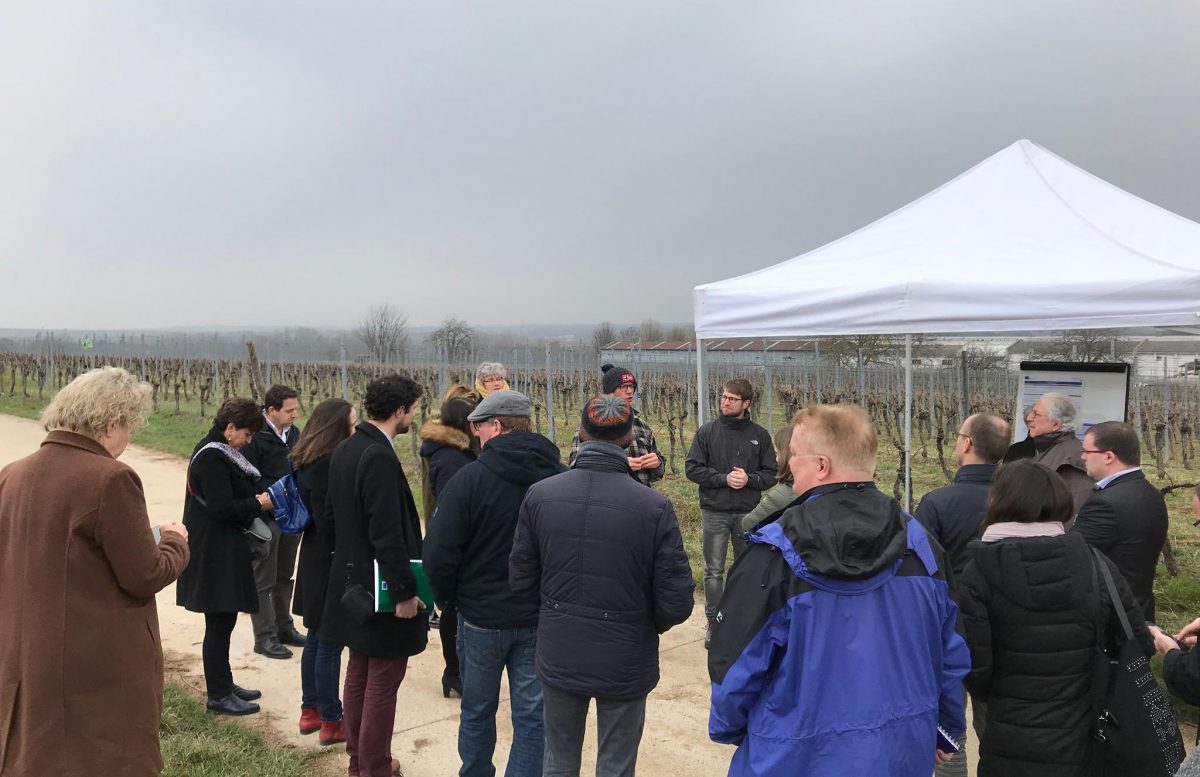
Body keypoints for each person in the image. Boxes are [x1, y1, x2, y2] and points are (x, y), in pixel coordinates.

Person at [708, 404, 968, 777]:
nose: (787, 466)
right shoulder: (923, 547)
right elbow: (951, 650)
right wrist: (944, 728)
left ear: (821, 466)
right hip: (900, 753)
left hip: (791, 757)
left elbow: (734, 666)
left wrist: (730, 728)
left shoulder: (771, 553)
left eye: (794, 456)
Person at [0, 367, 190, 776]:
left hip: (25, 657)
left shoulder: (11, 475)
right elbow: (144, 574)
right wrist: (175, 540)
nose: (129, 438)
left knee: (36, 756)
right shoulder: (111, 478)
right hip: (95, 667)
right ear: (111, 422)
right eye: (130, 426)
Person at [511, 394, 694, 777]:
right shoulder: (653, 508)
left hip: (560, 649)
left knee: (558, 760)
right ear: (630, 438)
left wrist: (554, 614)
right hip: (626, 656)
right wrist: (641, 623)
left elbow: (521, 580)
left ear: (580, 433)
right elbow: (676, 601)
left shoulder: (541, 496)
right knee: (616, 766)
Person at [957, 460, 1152, 777]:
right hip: (1083, 741)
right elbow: (1138, 643)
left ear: (997, 501)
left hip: (1009, 743)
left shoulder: (979, 572)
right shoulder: (1095, 564)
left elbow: (977, 675)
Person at [424, 389, 564, 777]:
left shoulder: (469, 481)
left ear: (497, 426)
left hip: (481, 617)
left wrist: (451, 599)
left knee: (477, 710)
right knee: (533, 715)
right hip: (538, 616)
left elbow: (438, 551)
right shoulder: (560, 478)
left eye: (479, 428)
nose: (475, 436)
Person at [321, 374, 427, 777]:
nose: (414, 417)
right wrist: (403, 592)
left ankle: (357, 762)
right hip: (380, 590)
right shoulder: (379, 456)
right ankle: (375, 767)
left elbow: (332, 520)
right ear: (399, 411)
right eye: (413, 409)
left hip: (351, 585)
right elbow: (388, 532)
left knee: (360, 672)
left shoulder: (347, 447)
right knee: (384, 678)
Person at [912, 412, 1007, 777]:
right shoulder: (1015, 502)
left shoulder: (937, 503)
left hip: (947, 631)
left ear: (966, 444)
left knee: (948, 731)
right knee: (994, 726)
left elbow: (920, 573)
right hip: (1001, 633)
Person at [176, 397, 274, 716]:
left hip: (223, 548)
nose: (247, 442)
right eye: (246, 435)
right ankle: (217, 695)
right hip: (213, 552)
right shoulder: (211, 458)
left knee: (225, 620)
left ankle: (224, 682)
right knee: (218, 623)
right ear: (230, 428)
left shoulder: (223, 452)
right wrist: (258, 504)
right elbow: (221, 508)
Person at [685, 377, 776, 648]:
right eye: (723, 397)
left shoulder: (759, 436)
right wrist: (724, 479)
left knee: (745, 570)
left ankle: (742, 622)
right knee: (713, 570)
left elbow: (771, 474)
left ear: (746, 403)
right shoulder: (707, 433)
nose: (725, 402)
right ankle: (714, 622)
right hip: (714, 510)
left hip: (748, 514)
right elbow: (693, 469)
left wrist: (749, 480)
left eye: (731, 399)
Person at [290, 398, 357, 746]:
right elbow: (331, 519)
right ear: (337, 426)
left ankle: (310, 710)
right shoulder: (330, 463)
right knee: (329, 639)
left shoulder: (306, 458)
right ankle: (332, 719)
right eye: (352, 422)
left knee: (316, 636)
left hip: (314, 553)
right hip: (330, 558)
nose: (356, 428)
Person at [1071, 420, 1169, 622]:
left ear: (1108, 456)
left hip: (1110, 620)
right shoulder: (1151, 493)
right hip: (1139, 609)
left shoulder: (1105, 504)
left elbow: (1073, 556)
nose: (1082, 457)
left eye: (1086, 451)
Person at [418, 394, 480, 699]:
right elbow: (452, 507)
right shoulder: (452, 458)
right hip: (457, 544)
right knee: (454, 610)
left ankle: (455, 672)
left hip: (455, 541)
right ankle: (454, 672)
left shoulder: (452, 452)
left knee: (455, 610)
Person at [242, 384, 305, 659]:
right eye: (289, 410)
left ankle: (284, 627)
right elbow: (246, 477)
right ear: (271, 411)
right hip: (266, 518)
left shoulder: (294, 434)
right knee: (263, 578)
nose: (294, 414)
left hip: (291, 516)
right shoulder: (254, 437)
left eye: (295, 409)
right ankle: (264, 636)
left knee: (284, 574)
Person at [915, 413, 1009, 580]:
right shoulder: (1019, 500)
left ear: (967, 443)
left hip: (952, 602)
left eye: (959, 436)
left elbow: (920, 567)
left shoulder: (935, 503)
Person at [568, 364, 664, 487]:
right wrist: (618, 464)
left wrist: (657, 464)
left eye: (632, 386)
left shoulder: (641, 425)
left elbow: (658, 472)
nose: (630, 391)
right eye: (623, 387)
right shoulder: (592, 424)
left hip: (639, 499)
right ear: (610, 392)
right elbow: (575, 466)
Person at [1002, 392, 1094, 513]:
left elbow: (1073, 508)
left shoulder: (1071, 458)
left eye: (1037, 414)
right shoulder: (1048, 448)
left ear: (1055, 424)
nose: (1029, 418)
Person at [740, 423, 797, 533]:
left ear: (787, 455)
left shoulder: (783, 495)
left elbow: (747, 523)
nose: (775, 459)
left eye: (777, 454)